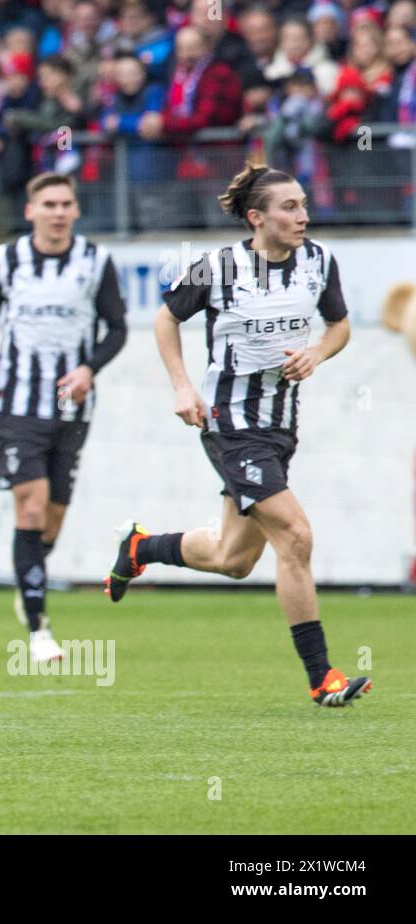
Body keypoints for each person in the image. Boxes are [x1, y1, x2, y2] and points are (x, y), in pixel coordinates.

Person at [105, 163, 372, 708]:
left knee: (234, 560)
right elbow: (164, 320)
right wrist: (183, 387)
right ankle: (322, 677)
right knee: (296, 536)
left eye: (303, 205)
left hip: (279, 426)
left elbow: (339, 324)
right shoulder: (218, 268)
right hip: (231, 423)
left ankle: (141, 547)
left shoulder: (319, 262)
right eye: (290, 208)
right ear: (257, 218)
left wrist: (317, 352)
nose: (304, 215)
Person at [0, 172, 127, 663]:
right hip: (16, 405)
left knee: (54, 518)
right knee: (32, 507)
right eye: (49, 204)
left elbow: (118, 328)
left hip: (71, 406)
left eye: (66, 204)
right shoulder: (6, 259)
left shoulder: (96, 262)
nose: (58, 212)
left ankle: (29, 581)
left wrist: (89, 368)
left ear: (76, 211)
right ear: (30, 211)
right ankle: (39, 632)